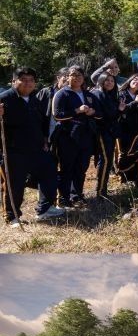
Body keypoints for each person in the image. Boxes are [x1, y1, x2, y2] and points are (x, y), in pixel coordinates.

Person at [0, 67, 64, 227]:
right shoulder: (4, 99)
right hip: (14, 150)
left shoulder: (35, 99)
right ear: (14, 81)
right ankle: (12, 216)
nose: (28, 83)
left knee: (49, 172)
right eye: (24, 80)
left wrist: (44, 139)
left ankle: (44, 208)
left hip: (37, 148)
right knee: (15, 183)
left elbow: (41, 121)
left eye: (31, 80)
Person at [52, 65, 100, 207]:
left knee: (81, 168)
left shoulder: (89, 95)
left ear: (83, 77)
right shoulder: (62, 94)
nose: (77, 77)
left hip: (86, 137)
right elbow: (57, 115)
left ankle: (77, 195)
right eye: (73, 75)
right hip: (68, 137)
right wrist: (77, 110)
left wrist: (93, 113)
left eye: (79, 75)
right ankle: (63, 198)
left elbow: (99, 113)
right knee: (67, 168)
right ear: (67, 77)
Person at [91, 72, 125, 197]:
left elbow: (114, 115)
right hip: (102, 132)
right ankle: (100, 192)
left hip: (110, 132)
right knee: (105, 161)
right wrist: (119, 110)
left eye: (112, 80)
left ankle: (102, 189)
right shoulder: (98, 94)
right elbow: (103, 115)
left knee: (107, 161)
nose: (110, 83)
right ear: (101, 81)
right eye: (107, 80)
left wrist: (119, 110)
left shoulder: (111, 95)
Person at [118, 73, 138, 159]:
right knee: (124, 152)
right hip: (124, 129)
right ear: (130, 80)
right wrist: (135, 102)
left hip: (137, 128)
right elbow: (122, 110)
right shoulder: (121, 94)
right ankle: (120, 168)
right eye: (135, 79)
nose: (137, 82)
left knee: (137, 150)